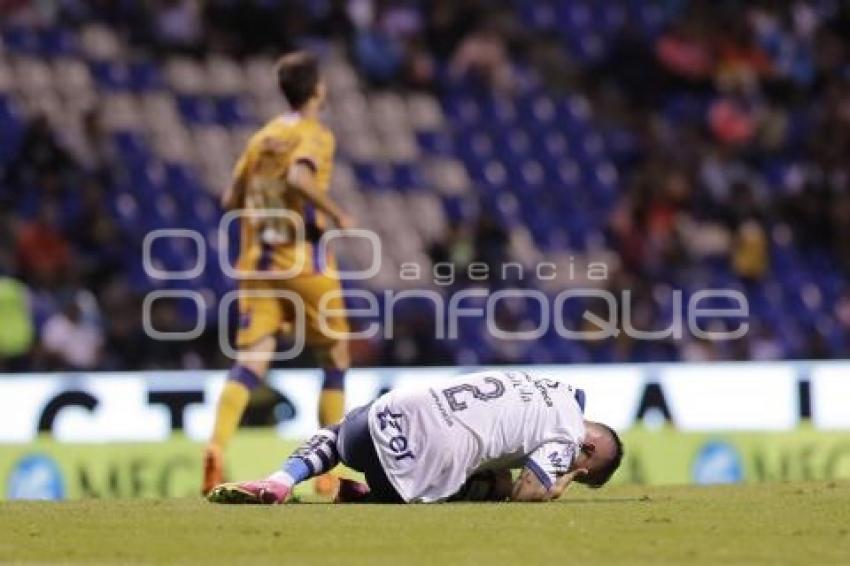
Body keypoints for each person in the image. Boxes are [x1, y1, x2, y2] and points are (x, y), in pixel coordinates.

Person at [203, 51, 354, 495]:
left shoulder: (262, 137)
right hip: (302, 260)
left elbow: (230, 199)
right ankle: (327, 470)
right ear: (317, 90)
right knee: (336, 359)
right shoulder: (315, 135)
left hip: (256, 265)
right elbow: (299, 178)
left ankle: (215, 446)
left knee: (251, 361)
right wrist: (337, 213)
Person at [208, 369, 623, 504]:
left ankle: (279, 481)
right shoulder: (569, 435)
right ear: (587, 450)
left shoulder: (554, 389)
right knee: (494, 487)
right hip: (426, 461)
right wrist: (557, 485)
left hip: (398, 407)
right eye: (581, 470)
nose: (570, 467)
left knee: (337, 436)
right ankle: (370, 497)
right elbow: (526, 492)